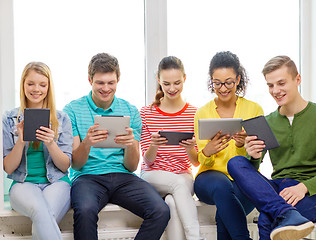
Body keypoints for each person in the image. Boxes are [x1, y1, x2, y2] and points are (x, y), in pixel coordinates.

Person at [227, 55, 316, 240]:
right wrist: (254, 156)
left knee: (268, 218)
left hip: (313, 195)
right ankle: (286, 212)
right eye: (270, 85)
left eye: (281, 83)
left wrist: (303, 187)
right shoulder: (267, 122)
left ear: (297, 79)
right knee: (236, 162)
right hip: (279, 190)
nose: (275, 90)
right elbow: (254, 171)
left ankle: (283, 212)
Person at [63, 53, 170, 240]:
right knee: (85, 211)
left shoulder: (130, 111)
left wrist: (130, 145)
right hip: (88, 177)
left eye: (111, 83)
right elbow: (76, 165)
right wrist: (87, 142)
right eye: (100, 83)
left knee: (160, 210)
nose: (106, 88)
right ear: (90, 80)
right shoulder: (72, 110)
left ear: (118, 80)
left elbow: (131, 166)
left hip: (123, 177)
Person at [193, 51, 264, 240]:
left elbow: (260, 155)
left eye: (228, 82)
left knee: (224, 214)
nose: (223, 88)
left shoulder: (254, 109)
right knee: (223, 187)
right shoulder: (202, 112)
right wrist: (207, 151)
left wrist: (243, 147)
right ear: (211, 81)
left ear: (238, 79)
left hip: (243, 179)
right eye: (217, 83)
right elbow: (200, 158)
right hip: (209, 179)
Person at [2, 62, 73, 240]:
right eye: (31, 83)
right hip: (22, 184)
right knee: (41, 211)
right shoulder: (9, 119)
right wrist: (21, 141)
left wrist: (51, 143)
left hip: (57, 183)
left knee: (43, 217)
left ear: (49, 87)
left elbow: (65, 166)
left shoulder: (62, 119)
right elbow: (8, 168)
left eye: (42, 84)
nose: (36, 89)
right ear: (23, 85)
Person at [140, 56, 201, 240]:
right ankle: (195, 238)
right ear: (159, 80)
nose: (172, 88)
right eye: (166, 83)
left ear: (185, 79)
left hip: (183, 174)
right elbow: (147, 160)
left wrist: (190, 148)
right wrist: (153, 145)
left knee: (172, 204)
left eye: (177, 83)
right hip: (153, 174)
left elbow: (196, 161)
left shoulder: (194, 113)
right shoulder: (146, 113)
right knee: (177, 184)